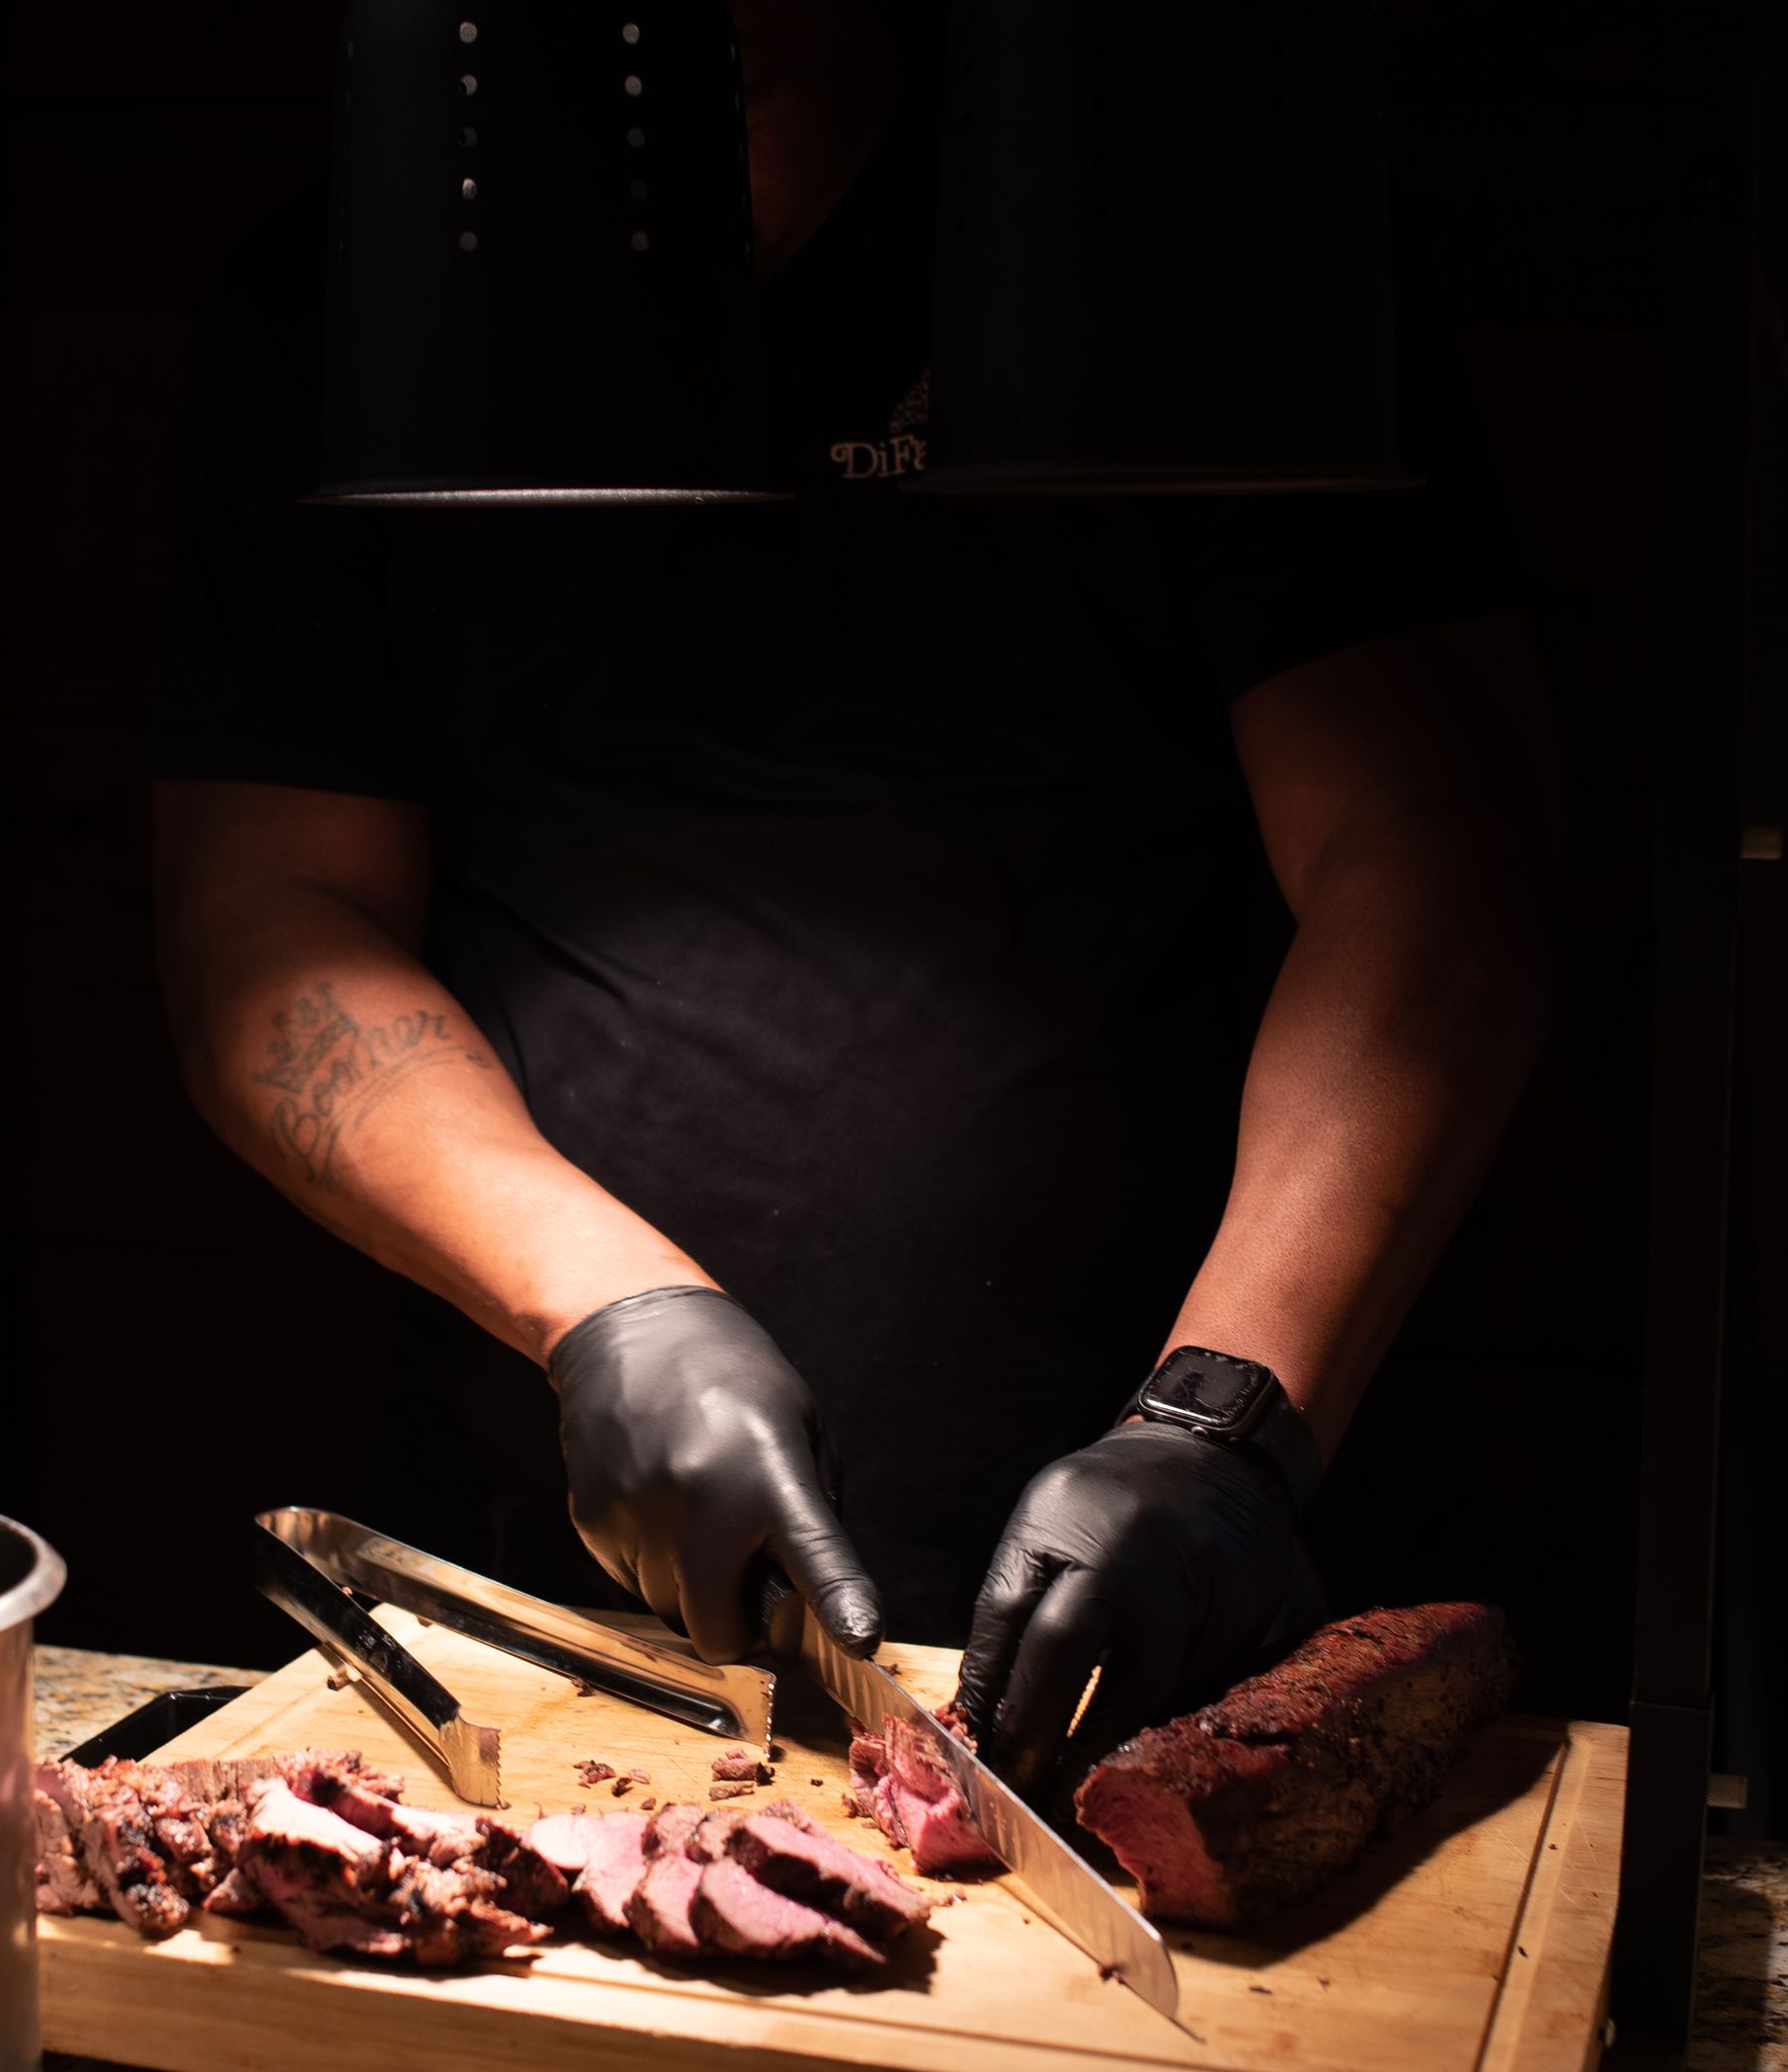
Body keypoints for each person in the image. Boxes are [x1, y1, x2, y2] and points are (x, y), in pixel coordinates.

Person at [151, 0, 1556, 1807]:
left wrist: (1228, 1421)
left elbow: (1437, 863)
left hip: (1192, 1609)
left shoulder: (1162, 239)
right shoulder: (368, 290)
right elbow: (263, 923)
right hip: (567, 1608)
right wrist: (609, 1309)